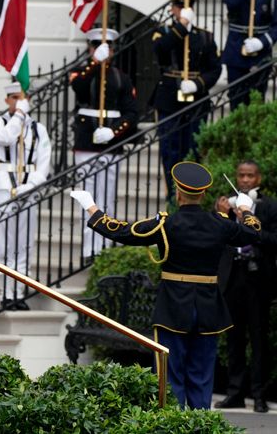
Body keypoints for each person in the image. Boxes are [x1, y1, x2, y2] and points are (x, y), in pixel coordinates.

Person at [70, 161, 262, 409]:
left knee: (170, 376)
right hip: (208, 307)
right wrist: (245, 210)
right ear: (203, 194)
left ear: (178, 192)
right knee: (202, 375)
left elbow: (121, 231)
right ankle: (199, 425)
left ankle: (173, 425)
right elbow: (253, 232)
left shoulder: (165, 224)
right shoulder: (220, 223)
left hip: (173, 307)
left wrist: (91, 207)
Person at [69, 28, 138, 262]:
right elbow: (78, 88)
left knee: (106, 197)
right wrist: (94, 63)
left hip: (110, 142)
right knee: (88, 196)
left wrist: (113, 131)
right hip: (87, 141)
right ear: (90, 48)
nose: (102, 49)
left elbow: (131, 112)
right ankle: (89, 248)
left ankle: (103, 247)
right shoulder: (81, 72)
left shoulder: (121, 77)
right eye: (97, 45)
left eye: (106, 46)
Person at [214, 160, 277, 413]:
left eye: (250, 176)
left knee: (259, 339)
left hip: (258, 280)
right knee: (234, 338)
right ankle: (235, 393)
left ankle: (259, 395)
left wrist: (249, 220)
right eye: (241, 175)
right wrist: (223, 215)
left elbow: (274, 240)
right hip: (233, 279)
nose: (245, 180)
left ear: (258, 178)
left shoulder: (270, 206)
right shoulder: (227, 205)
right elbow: (215, 236)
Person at [152, 0, 221, 201]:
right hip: (169, 98)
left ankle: (192, 195)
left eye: (186, 7)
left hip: (196, 98)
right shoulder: (163, 32)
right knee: (170, 149)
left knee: (194, 147)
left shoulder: (205, 36)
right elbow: (161, 50)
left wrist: (198, 84)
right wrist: (181, 27)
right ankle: (174, 194)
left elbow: (214, 69)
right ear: (172, 9)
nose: (182, 10)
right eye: (178, 7)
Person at [0, 81, 51, 310]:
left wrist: (33, 183)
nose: (17, 101)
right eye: (13, 98)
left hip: (28, 187)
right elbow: (5, 138)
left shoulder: (38, 129)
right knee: (5, 243)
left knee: (24, 244)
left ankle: (19, 292)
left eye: (21, 97)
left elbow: (44, 161)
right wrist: (20, 115)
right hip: (5, 185)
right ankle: (6, 293)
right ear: (7, 100)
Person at [221, 0, 277, 110]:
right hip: (236, 51)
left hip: (260, 54)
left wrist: (262, 42)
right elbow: (232, 2)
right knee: (236, 102)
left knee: (257, 103)